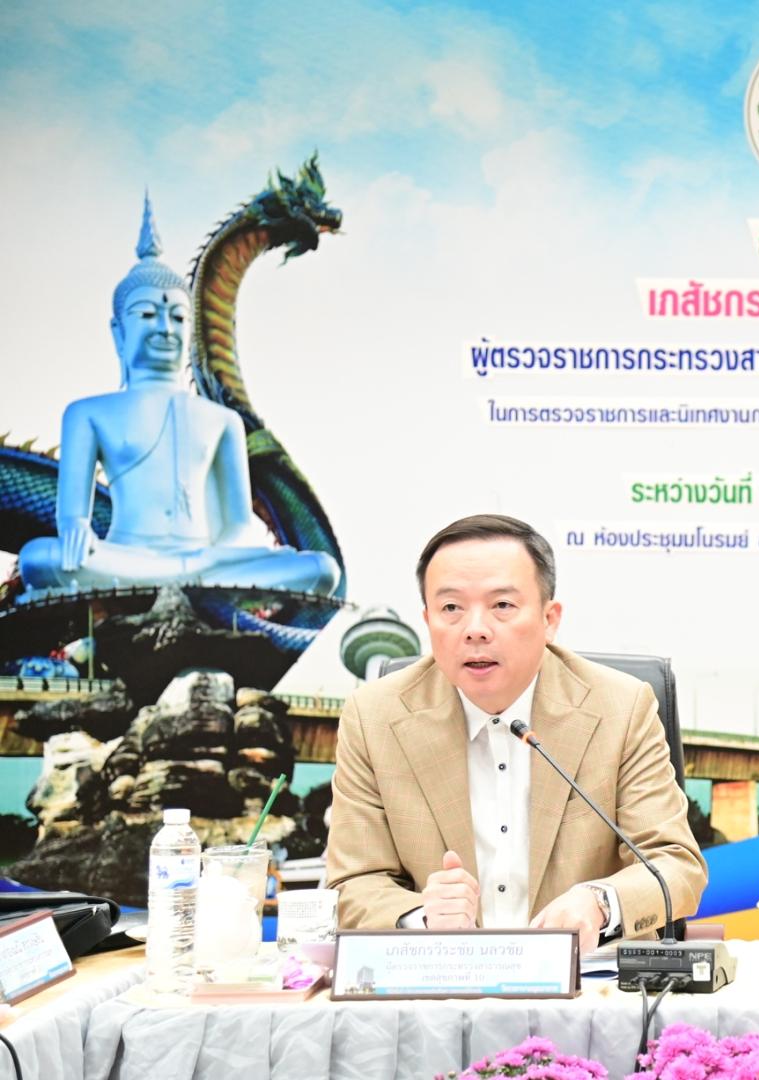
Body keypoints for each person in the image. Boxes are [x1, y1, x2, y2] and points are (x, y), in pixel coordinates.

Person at [325, 514, 706, 954]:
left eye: (502, 605)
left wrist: (599, 903)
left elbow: (674, 866)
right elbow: (354, 883)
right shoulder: (374, 717)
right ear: (428, 620)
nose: (475, 629)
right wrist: (422, 917)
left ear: (549, 618)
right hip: (442, 978)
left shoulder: (620, 707)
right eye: (451, 608)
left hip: (587, 983)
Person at [17, 196, 339, 598]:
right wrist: (75, 530)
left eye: (178, 317)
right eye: (147, 315)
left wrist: (223, 555)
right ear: (118, 332)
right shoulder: (88, 414)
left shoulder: (222, 421)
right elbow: (73, 519)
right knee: (39, 559)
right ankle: (192, 585)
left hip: (205, 559)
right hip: (126, 556)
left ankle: (192, 580)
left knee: (320, 569)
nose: (165, 328)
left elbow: (237, 525)